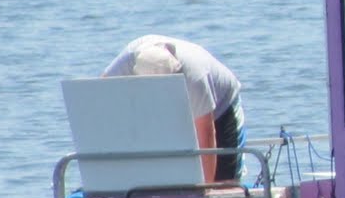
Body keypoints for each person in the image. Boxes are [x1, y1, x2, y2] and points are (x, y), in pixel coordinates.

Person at [103, 35, 245, 182]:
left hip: (221, 109)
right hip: (168, 114)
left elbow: (206, 134)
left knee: (222, 183)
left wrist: (207, 189)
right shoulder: (126, 63)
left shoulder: (194, 78)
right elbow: (98, 100)